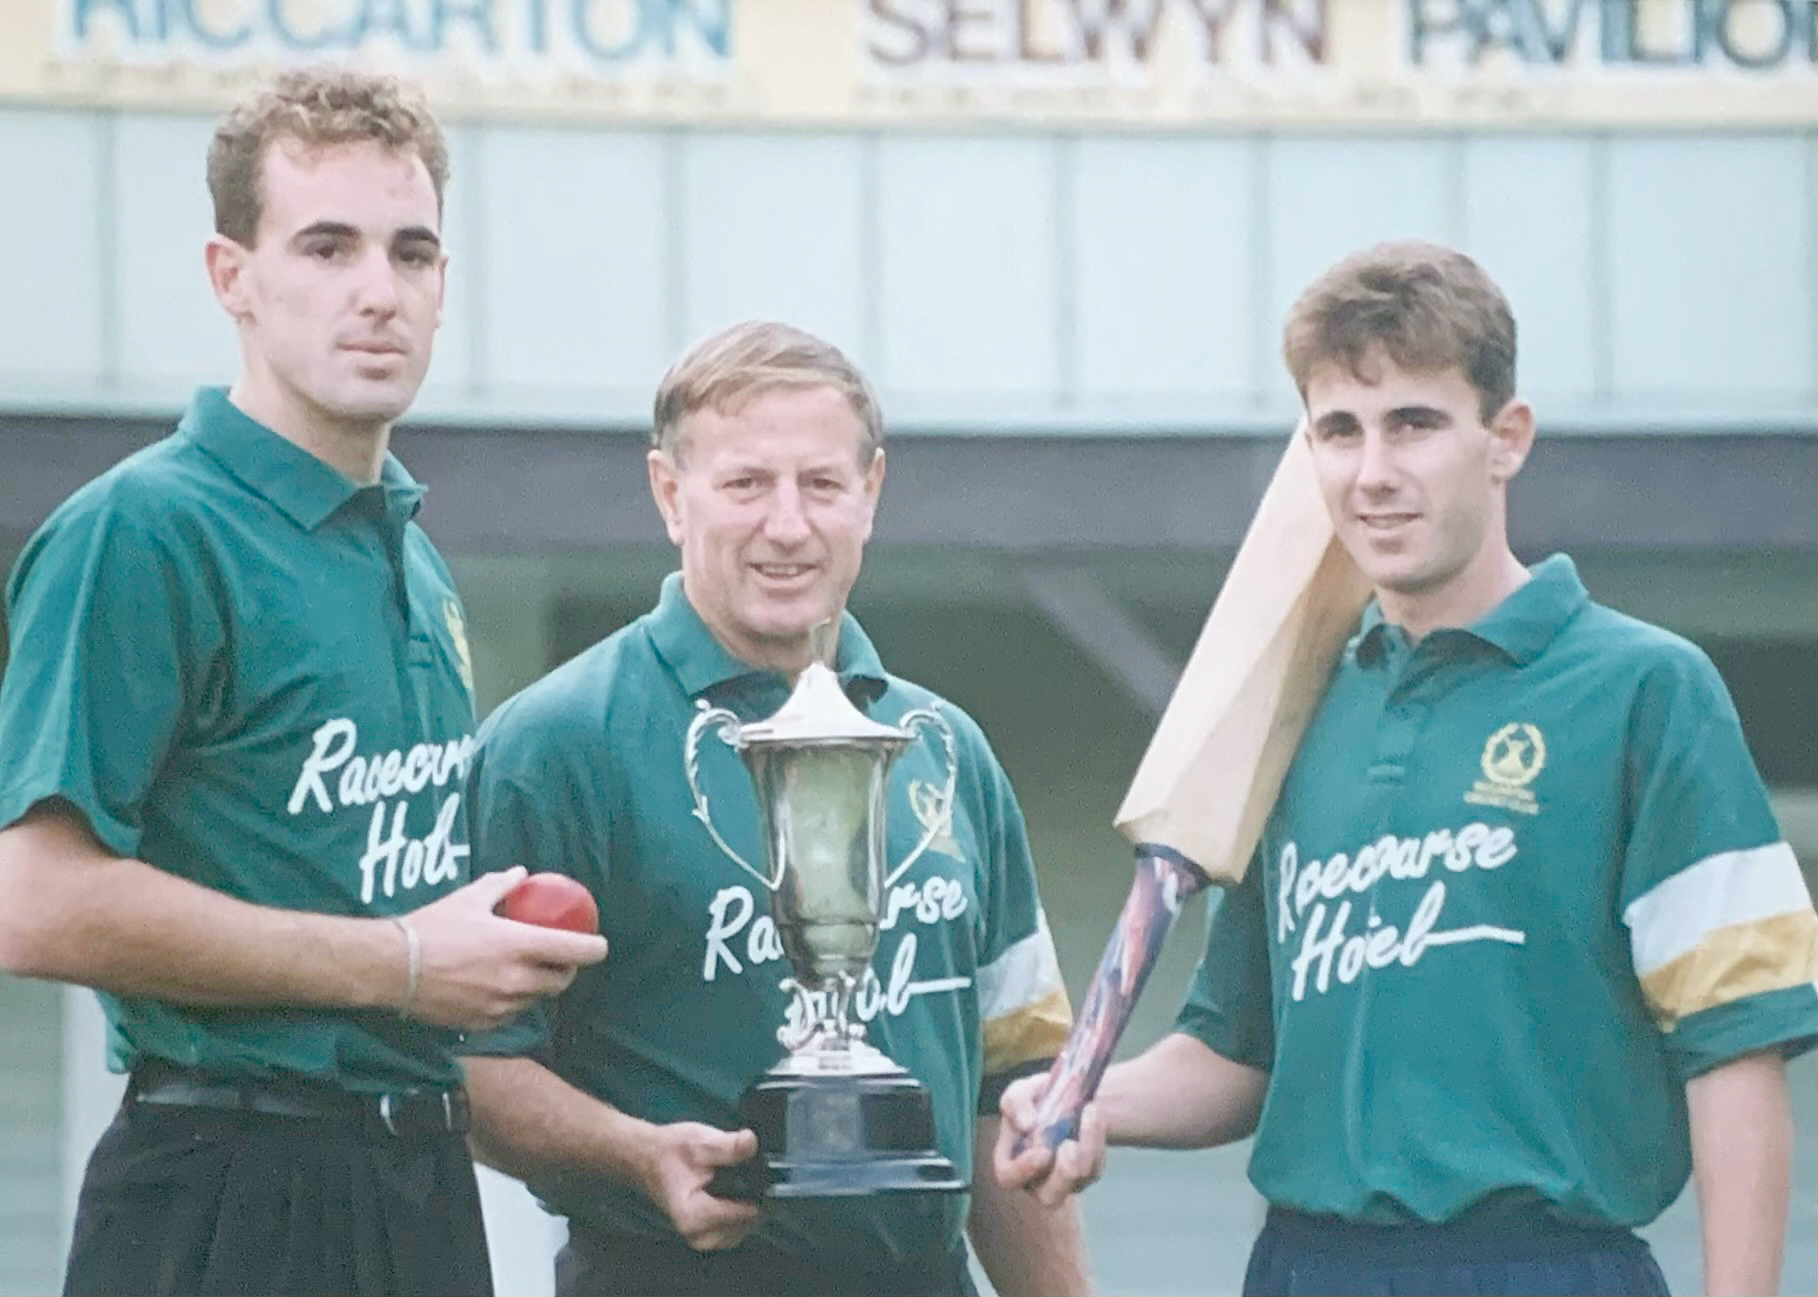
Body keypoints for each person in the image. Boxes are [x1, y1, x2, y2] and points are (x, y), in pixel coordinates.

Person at [994, 241, 1818, 1296]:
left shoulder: (1645, 693)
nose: (1373, 472)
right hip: (1305, 1263)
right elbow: (1236, 1056)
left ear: (1504, 438)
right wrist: (1090, 1097)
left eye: (1414, 425)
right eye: (1339, 430)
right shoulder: (1290, 711)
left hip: (1548, 1265)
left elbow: (1734, 1053)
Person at [0, 68, 606, 1297]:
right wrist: (401, 961)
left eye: (412, 252)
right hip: (226, 1186)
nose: (376, 291)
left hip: (422, 1183)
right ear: (233, 277)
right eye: (325, 246)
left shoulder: (412, 552)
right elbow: (35, 901)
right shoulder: (144, 530)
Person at [459, 321, 1091, 1296]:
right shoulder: (557, 744)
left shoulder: (949, 752)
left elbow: (1009, 1093)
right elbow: (469, 1071)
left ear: (871, 492)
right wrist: (638, 1153)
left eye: (822, 485)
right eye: (746, 484)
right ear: (670, 494)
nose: (787, 525)